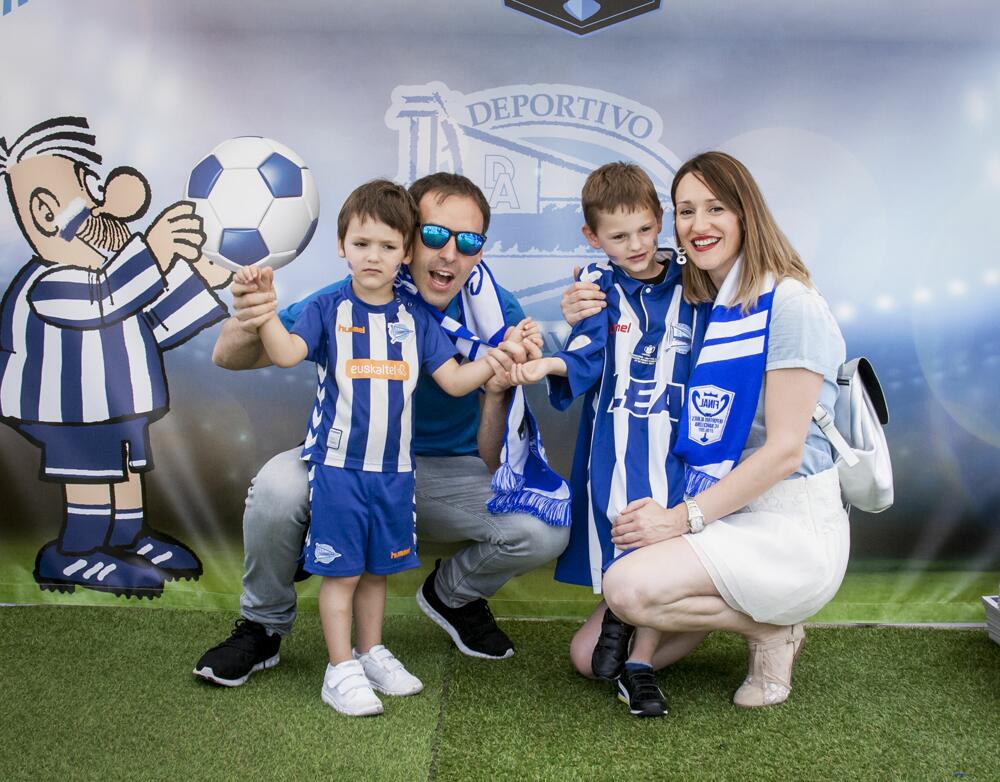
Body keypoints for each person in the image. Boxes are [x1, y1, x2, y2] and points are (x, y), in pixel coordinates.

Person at [194, 172, 571, 687]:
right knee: (277, 490)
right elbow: (229, 356)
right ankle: (263, 624)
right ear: (410, 237)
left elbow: (491, 452)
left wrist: (499, 383)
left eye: (469, 241)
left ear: (481, 250)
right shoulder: (355, 294)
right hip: (348, 456)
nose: (449, 254)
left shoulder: (496, 314)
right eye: (436, 235)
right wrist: (251, 316)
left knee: (543, 527)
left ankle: (452, 596)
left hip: (443, 473)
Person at [593, 151, 849, 709]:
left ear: (745, 214)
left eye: (715, 208)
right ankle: (741, 611)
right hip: (727, 512)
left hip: (787, 523)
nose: (698, 224)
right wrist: (584, 295)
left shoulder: (790, 303)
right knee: (589, 653)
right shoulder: (711, 299)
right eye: (686, 210)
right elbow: (638, 270)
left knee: (627, 589)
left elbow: (784, 452)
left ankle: (771, 631)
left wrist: (680, 519)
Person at [500, 162, 702, 718]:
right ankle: (622, 614)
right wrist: (548, 364)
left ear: (660, 220)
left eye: (644, 230)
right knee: (623, 536)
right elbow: (586, 357)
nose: (635, 245)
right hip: (615, 443)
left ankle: (642, 662)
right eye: (618, 236)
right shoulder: (596, 288)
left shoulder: (697, 278)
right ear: (593, 237)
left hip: (683, 444)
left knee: (664, 530)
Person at [0, 116, 230, 599]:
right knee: (91, 470)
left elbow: (151, 323)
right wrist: (155, 250)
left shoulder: (108, 279)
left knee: (124, 466)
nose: (108, 206)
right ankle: (73, 553)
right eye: (89, 190)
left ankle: (126, 537)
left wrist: (200, 280)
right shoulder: (51, 281)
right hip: (68, 411)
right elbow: (104, 300)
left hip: (113, 406)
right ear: (46, 213)